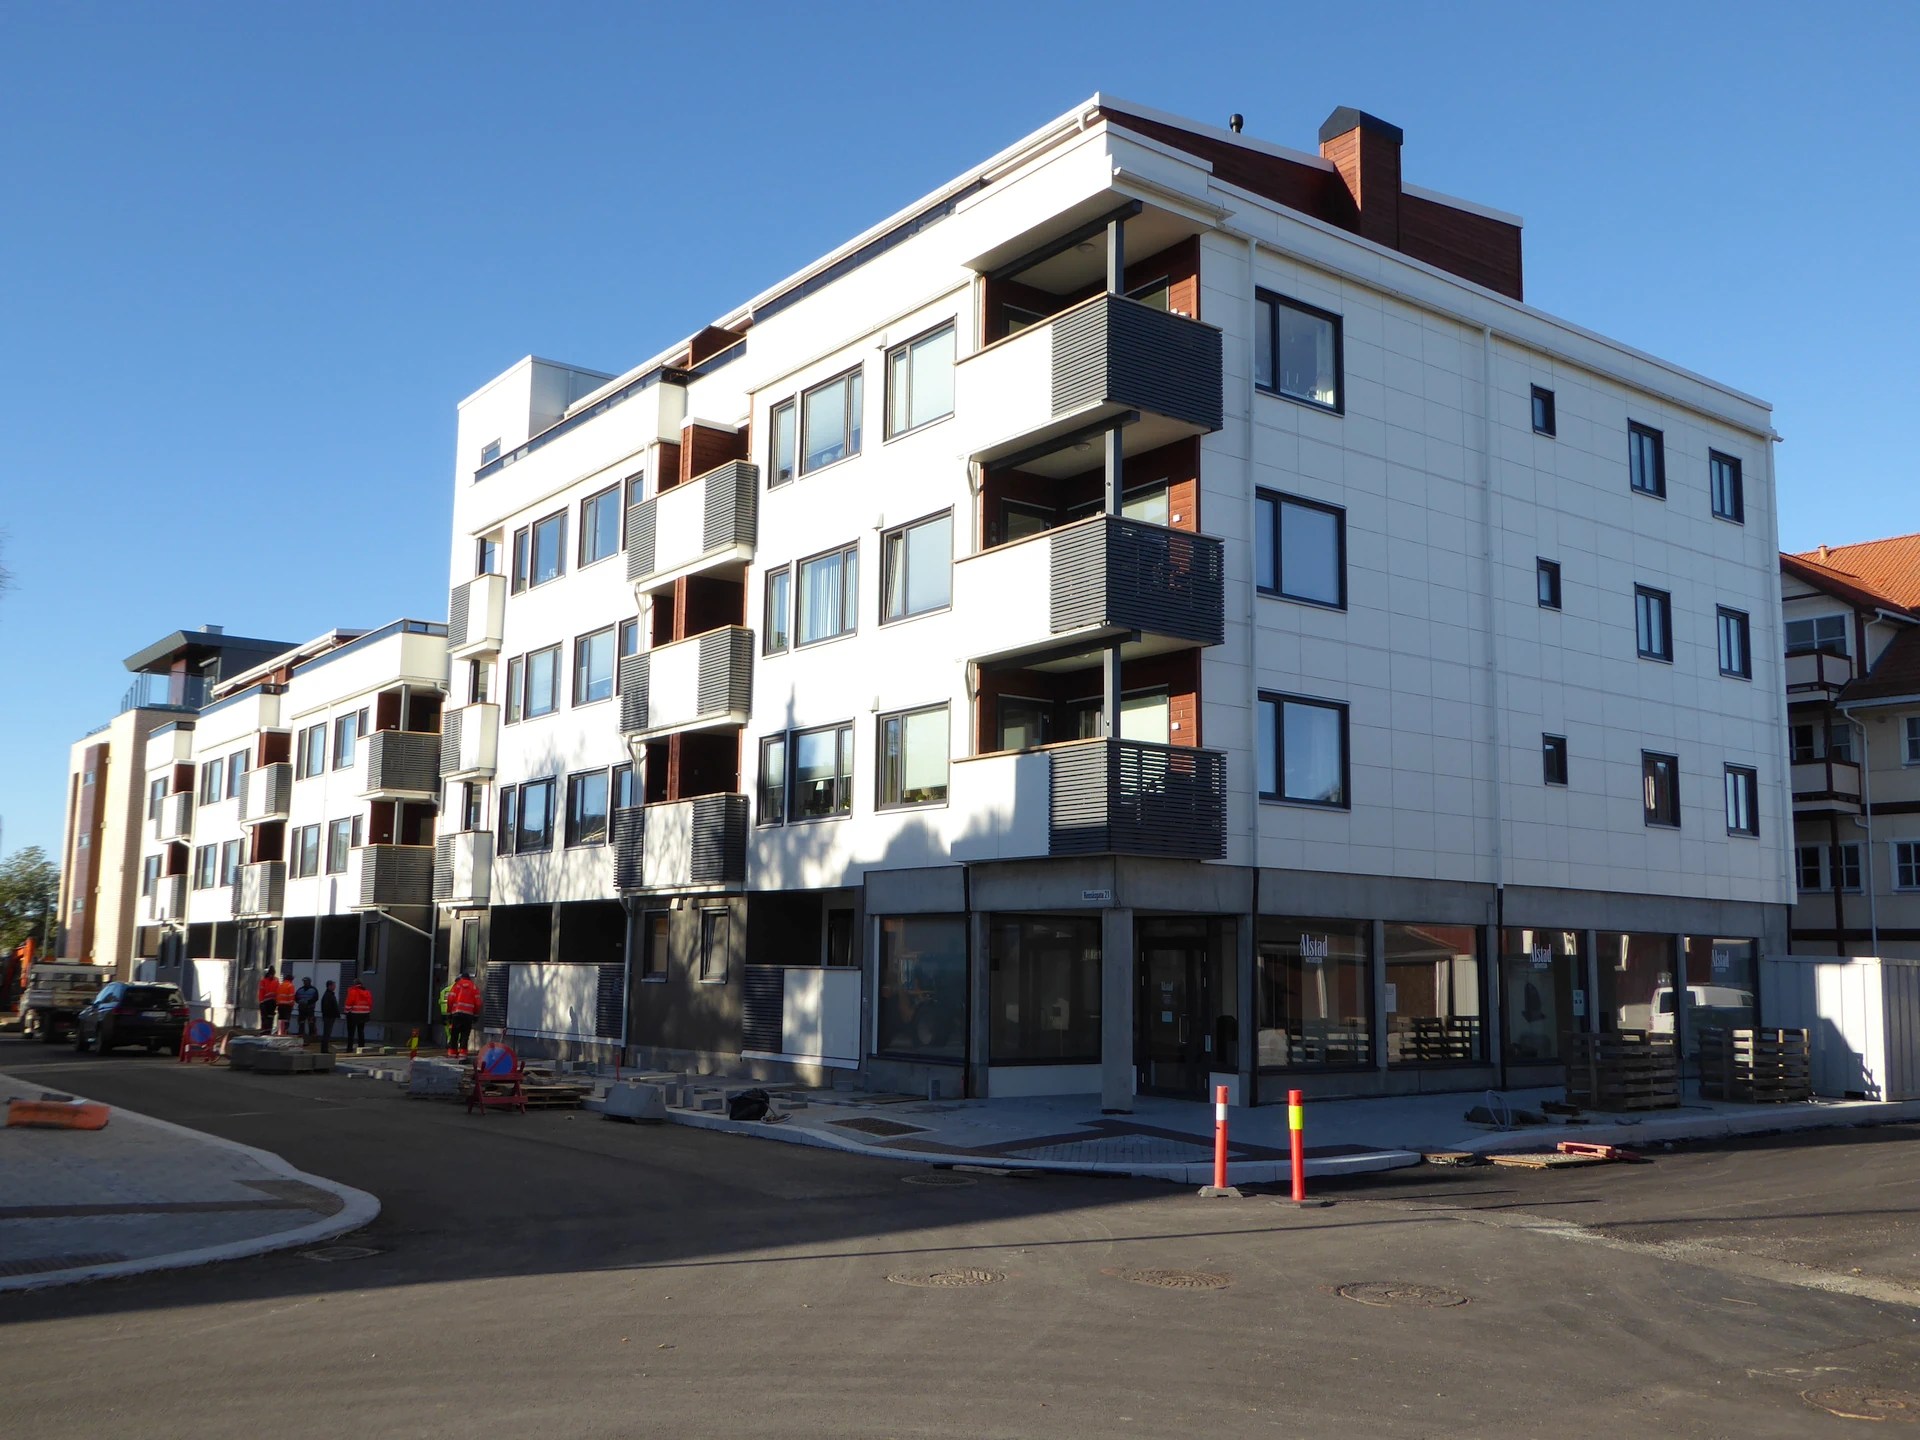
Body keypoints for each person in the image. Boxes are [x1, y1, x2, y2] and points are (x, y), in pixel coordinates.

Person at [446, 971, 481, 1057]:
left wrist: (449, 1012)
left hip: (456, 1013)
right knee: (465, 1034)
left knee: (454, 1033)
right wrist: (476, 1014)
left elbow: (450, 999)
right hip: (468, 1015)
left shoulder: (457, 985)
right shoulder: (474, 987)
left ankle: (452, 1052)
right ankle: (463, 1052)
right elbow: (478, 1003)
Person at [343, 978, 373, 1051]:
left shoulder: (353, 991)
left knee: (351, 1032)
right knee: (361, 1031)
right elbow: (370, 1003)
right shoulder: (367, 992)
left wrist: (346, 1011)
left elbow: (349, 1003)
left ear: (354, 984)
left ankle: (349, 1049)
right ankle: (361, 1048)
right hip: (364, 1014)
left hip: (353, 1014)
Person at [293, 975, 319, 1043]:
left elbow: (316, 998)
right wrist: (300, 1002)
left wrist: (308, 1002)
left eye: (306, 981)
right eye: (304, 981)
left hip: (310, 1009)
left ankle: (311, 1037)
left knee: (311, 1023)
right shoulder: (300, 989)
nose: (305, 983)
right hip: (302, 1009)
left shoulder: (313, 989)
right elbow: (296, 998)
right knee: (301, 1022)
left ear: (309, 982)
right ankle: (301, 1035)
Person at [318, 980, 341, 1053]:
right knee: (327, 1033)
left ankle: (325, 1049)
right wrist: (334, 1013)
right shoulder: (328, 995)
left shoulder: (329, 994)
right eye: (333, 985)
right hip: (329, 1017)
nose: (335, 987)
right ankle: (324, 1050)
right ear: (329, 986)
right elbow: (328, 1007)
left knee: (327, 1033)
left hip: (329, 1016)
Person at [258, 970, 280, 1035]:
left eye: (273, 974)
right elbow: (261, 992)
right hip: (265, 1002)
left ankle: (268, 1031)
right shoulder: (264, 981)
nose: (272, 975)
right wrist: (261, 1002)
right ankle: (264, 1031)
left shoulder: (276, 981)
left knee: (270, 1017)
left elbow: (278, 991)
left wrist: (277, 1002)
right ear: (269, 974)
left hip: (272, 1002)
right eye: (271, 974)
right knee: (265, 1017)